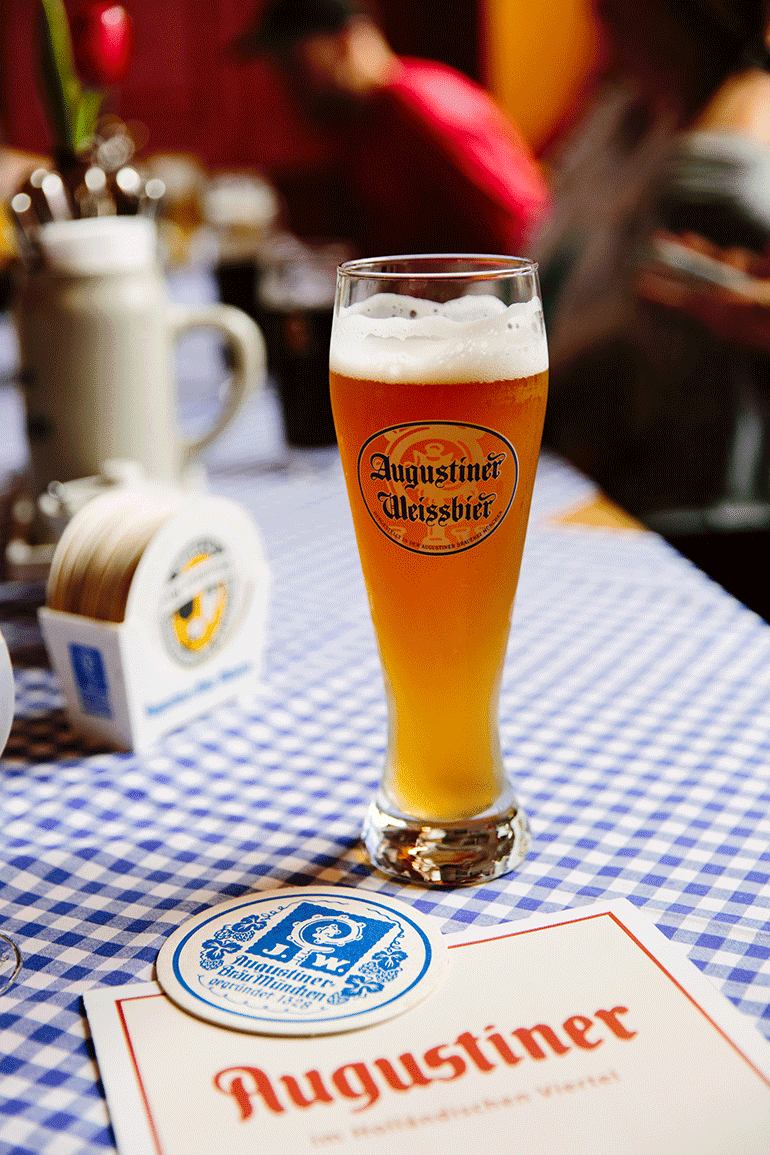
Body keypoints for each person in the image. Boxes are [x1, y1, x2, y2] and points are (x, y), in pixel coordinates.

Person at [535, 0, 770, 619]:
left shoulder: (734, 139)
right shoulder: (618, 116)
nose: (598, 18)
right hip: (570, 476)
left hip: (680, 511)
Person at [232, 0, 549, 257]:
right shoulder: (360, 124)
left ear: (345, 43)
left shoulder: (420, 110)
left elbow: (522, 234)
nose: (287, 87)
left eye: (294, 66)